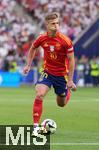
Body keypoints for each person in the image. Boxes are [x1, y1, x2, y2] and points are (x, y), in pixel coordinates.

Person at [23, 12, 76, 136]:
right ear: (47, 25)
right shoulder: (42, 38)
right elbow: (33, 48)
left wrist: (70, 80)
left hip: (62, 75)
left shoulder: (65, 41)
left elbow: (72, 60)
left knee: (61, 104)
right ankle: (35, 127)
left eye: (58, 23)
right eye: (53, 24)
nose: (56, 26)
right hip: (47, 72)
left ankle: (66, 92)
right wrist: (28, 65)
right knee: (40, 94)